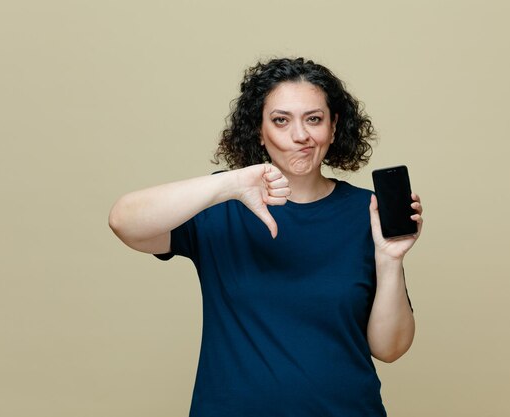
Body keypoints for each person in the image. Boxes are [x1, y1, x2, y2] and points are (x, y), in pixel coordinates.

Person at [108, 57, 423, 417]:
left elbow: (391, 348)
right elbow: (123, 221)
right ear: (258, 130)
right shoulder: (221, 205)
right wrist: (228, 182)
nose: (300, 135)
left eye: (314, 119)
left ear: (334, 128)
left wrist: (390, 259)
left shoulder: (367, 212)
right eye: (280, 120)